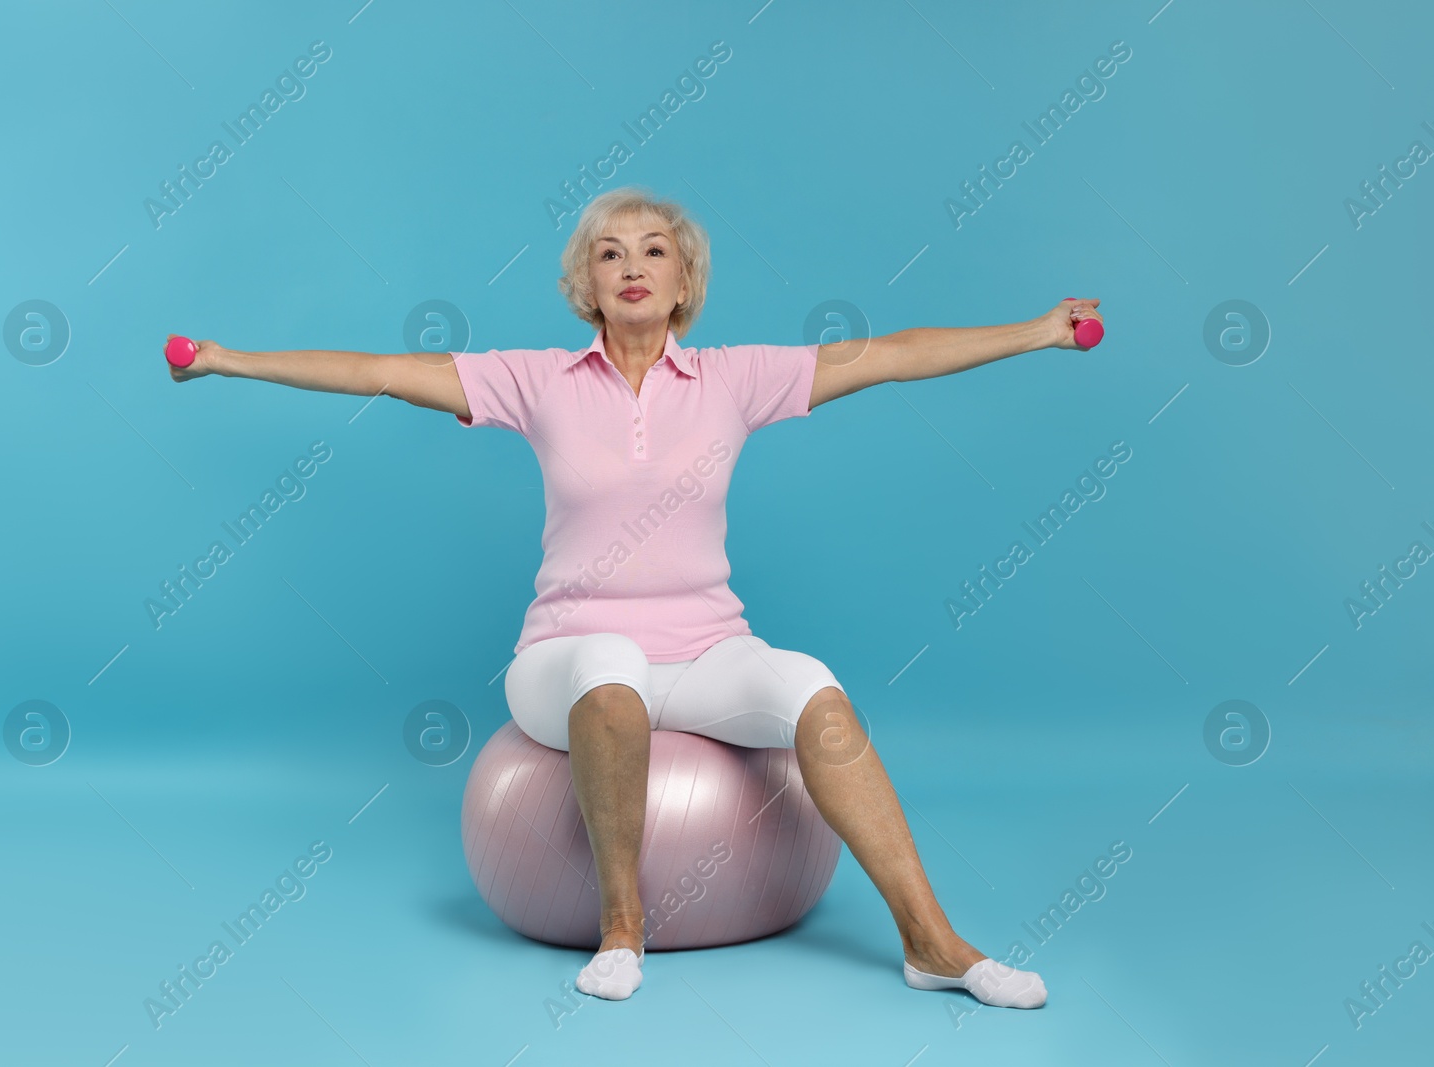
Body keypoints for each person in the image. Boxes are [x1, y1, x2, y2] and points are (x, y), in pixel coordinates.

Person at [168, 186, 1102, 1011]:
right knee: (609, 664)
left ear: (684, 279)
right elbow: (375, 369)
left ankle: (933, 945)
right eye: (609, 252)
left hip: (704, 651)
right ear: (587, 282)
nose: (631, 265)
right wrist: (225, 357)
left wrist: (1041, 330)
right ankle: (623, 928)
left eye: (653, 248)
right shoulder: (534, 380)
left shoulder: (736, 379)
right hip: (564, 657)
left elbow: (892, 355)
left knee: (813, 683)